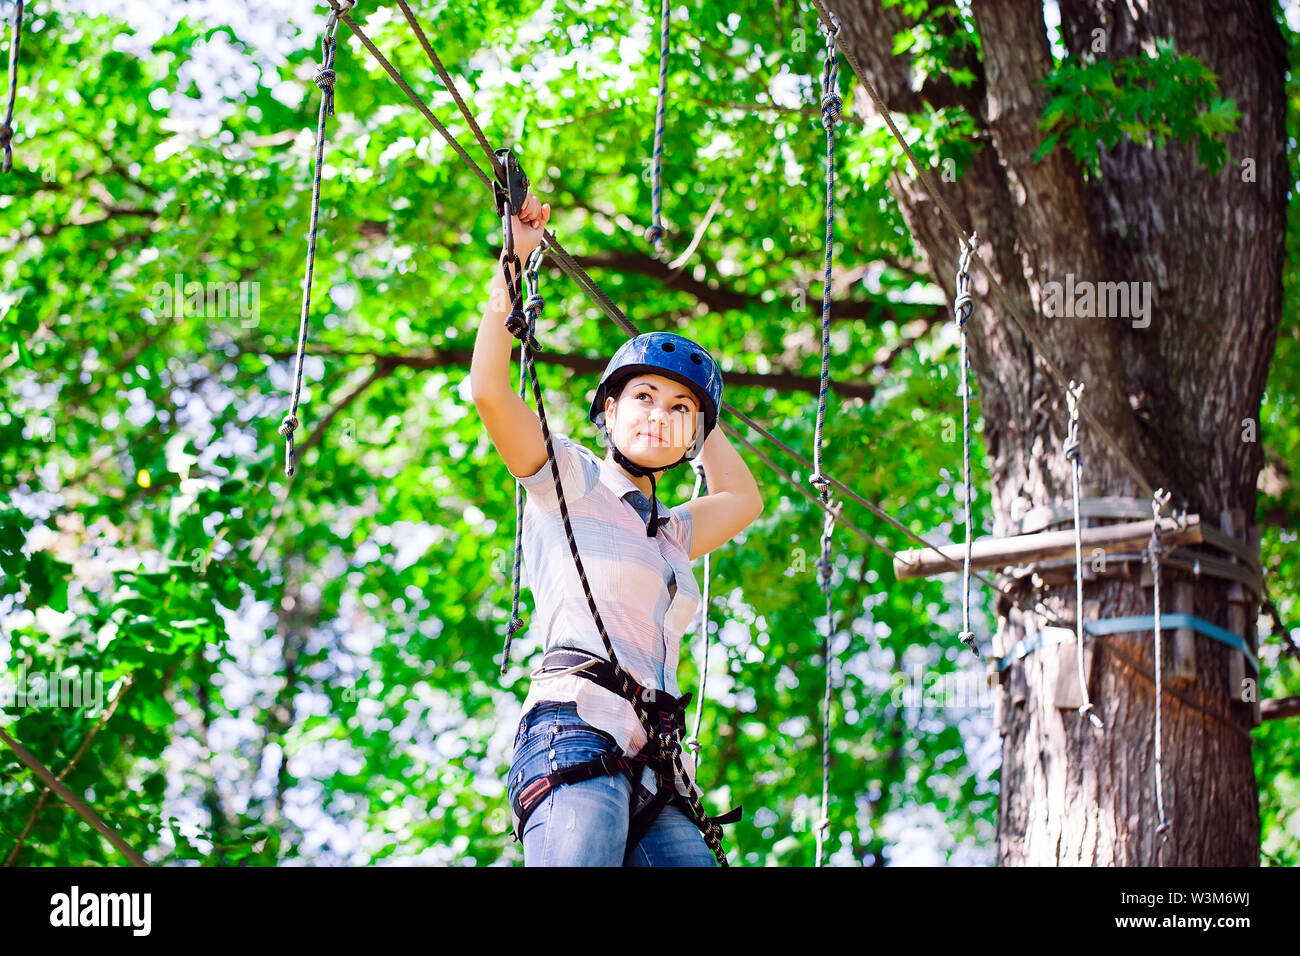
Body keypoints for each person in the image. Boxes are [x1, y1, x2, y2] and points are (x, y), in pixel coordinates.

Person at [470, 190, 764, 866]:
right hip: (574, 730)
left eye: (679, 410)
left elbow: (744, 498)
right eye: (643, 396)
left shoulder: (672, 532)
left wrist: (705, 416)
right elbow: (489, 391)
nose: (659, 415)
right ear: (607, 409)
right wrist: (512, 261)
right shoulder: (569, 478)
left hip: (657, 766)